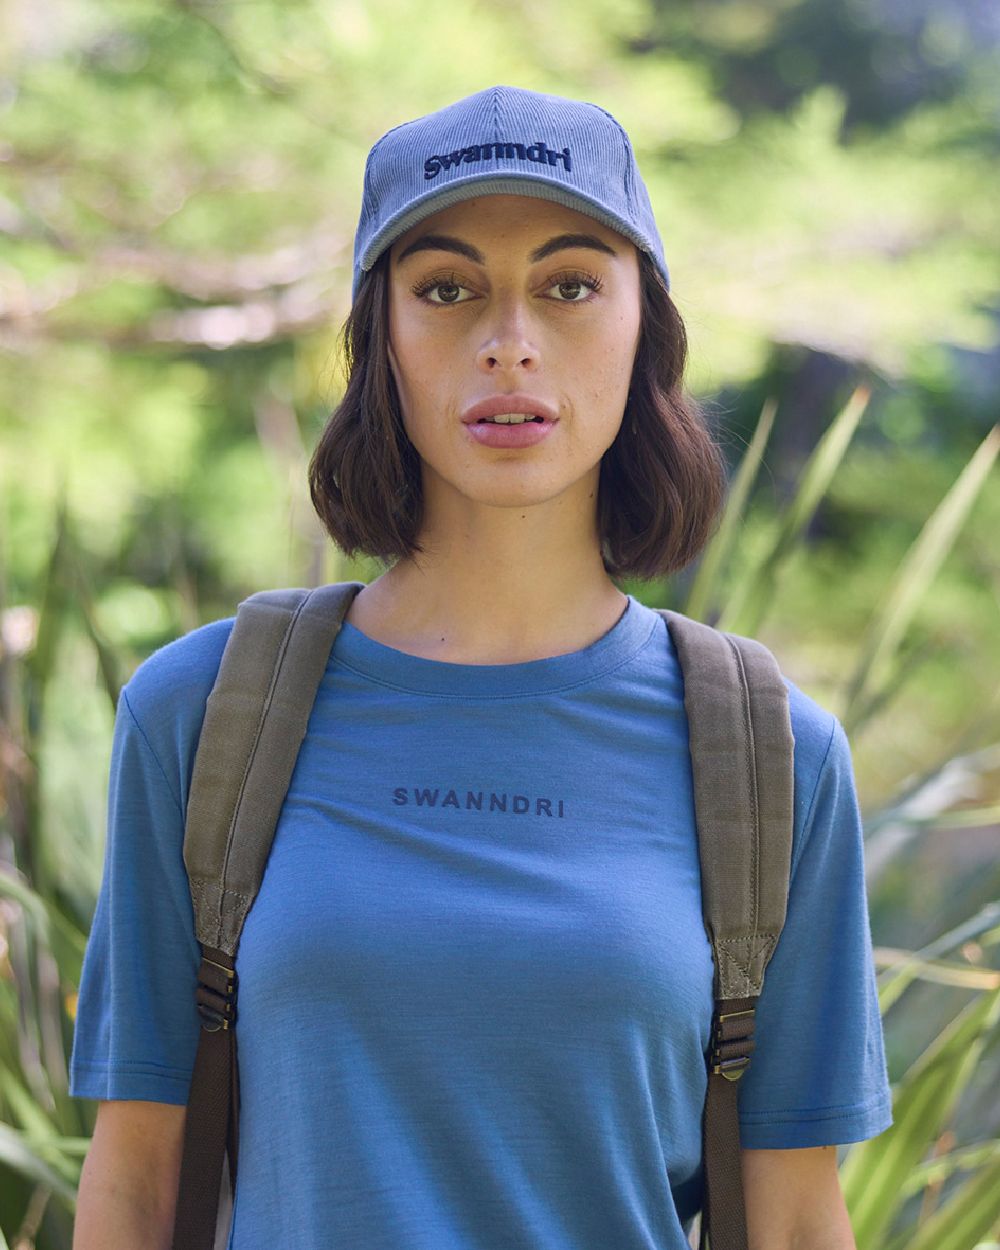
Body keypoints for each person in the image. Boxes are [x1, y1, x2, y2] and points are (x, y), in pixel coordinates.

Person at [69, 85, 893, 1250]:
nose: (510, 340)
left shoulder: (772, 756)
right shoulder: (206, 716)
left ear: (641, 330)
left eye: (569, 284)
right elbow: (139, 1182)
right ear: (382, 342)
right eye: (446, 288)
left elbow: (799, 1219)